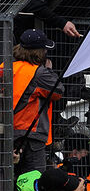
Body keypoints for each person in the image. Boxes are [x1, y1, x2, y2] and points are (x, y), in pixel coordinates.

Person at [5, 30, 63, 176]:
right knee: (32, 182)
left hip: (9, 132)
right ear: (40, 52)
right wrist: (48, 70)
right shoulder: (40, 73)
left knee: (7, 179)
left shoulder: (7, 67)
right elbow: (58, 92)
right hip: (31, 136)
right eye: (45, 50)